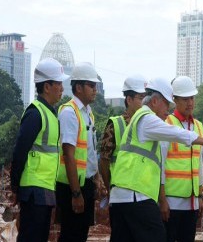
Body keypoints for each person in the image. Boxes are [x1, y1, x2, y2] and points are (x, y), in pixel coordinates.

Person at [109, 77, 203, 242]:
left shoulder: (141, 119)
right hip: (135, 195)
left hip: (122, 196)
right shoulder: (146, 118)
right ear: (154, 101)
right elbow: (176, 133)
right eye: (167, 103)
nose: (169, 109)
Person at [11, 58, 69, 242]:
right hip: (34, 190)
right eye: (58, 83)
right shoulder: (35, 113)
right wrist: (15, 186)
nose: (62, 88)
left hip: (45, 189)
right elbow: (20, 151)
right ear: (46, 87)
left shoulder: (51, 114)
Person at [56, 62, 101, 242]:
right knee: (71, 234)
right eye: (91, 86)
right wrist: (76, 193)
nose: (95, 90)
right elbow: (69, 154)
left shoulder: (87, 113)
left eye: (95, 86)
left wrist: (96, 178)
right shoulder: (69, 112)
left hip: (85, 183)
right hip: (72, 187)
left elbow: (90, 150)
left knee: (80, 234)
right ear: (79, 87)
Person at [159, 76, 203, 242]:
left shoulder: (198, 126)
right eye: (185, 99)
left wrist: (199, 196)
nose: (190, 103)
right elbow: (161, 164)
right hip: (171, 202)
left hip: (192, 202)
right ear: (174, 99)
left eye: (192, 98)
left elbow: (198, 165)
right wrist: (162, 200)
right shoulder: (166, 124)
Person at [99, 74, 146, 227]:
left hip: (143, 194)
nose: (144, 102)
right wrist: (109, 188)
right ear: (129, 100)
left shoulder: (147, 125)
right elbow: (104, 162)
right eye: (141, 98)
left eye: (146, 97)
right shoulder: (115, 124)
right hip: (121, 195)